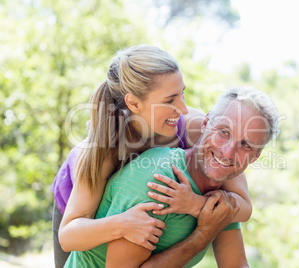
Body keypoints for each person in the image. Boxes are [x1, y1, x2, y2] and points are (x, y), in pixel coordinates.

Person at [52, 45, 254, 268]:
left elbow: (243, 207)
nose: (184, 109)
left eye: (182, 94)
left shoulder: (194, 127)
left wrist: (196, 205)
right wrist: (122, 223)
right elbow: (69, 236)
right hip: (82, 217)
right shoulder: (105, 148)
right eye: (170, 100)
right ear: (134, 103)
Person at [64, 87, 280, 267]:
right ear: (205, 124)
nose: (228, 151)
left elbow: (235, 264)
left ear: (255, 157)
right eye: (223, 131)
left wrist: (200, 208)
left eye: (245, 145)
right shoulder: (159, 182)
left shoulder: (221, 197)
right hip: (73, 196)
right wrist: (203, 234)